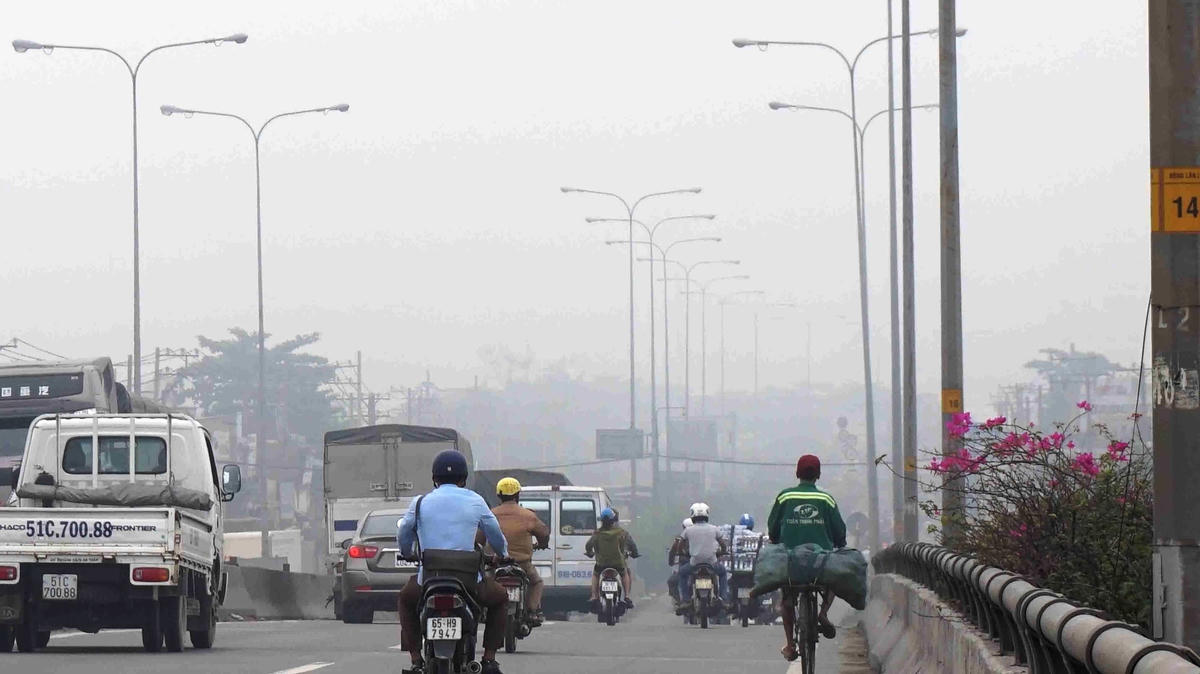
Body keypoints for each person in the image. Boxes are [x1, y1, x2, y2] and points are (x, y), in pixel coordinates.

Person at [397, 450, 511, 674]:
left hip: (429, 579)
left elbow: (404, 532)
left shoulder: (420, 502)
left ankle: (416, 660)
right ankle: (488, 660)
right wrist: (502, 553)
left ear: (434, 478)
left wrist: (407, 551)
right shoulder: (475, 500)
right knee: (500, 599)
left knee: (405, 599)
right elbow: (494, 533)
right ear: (464, 479)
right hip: (469, 582)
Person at [767, 453, 847, 662]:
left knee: (786, 599)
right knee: (833, 579)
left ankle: (790, 643)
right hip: (820, 561)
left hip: (791, 560)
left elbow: (772, 526)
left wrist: (776, 540)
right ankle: (823, 612)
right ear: (818, 475)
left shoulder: (785, 497)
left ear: (797, 473)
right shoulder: (826, 499)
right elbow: (839, 530)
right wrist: (840, 543)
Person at [479, 477, 550, 624]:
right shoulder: (529, 515)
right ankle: (532, 611)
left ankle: (484, 610)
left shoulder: (490, 514)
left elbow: (478, 539)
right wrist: (542, 544)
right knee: (536, 582)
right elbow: (544, 533)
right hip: (522, 564)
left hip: (495, 564)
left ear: (499, 495)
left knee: (485, 582)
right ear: (517, 495)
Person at [676, 503, 729, 610]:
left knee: (682, 573)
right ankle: (723, 598)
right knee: (723, 573)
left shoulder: (687, 530)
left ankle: (685, 600)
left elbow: (679, 546)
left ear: (692, 515)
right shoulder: (715, 529)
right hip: (712, 563)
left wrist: (682, 553)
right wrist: (722, 552)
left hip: (694, 563)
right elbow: (723, 545)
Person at [584, 507, 640, 610]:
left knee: (596, 574)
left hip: (601, 564)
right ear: (614, 520)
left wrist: (589, 552)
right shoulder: (622, 533)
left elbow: (588, 545)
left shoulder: (597, 533)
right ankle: (627, 596)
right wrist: (635, 554)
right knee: (625, 574)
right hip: (618, 563)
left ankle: (594, 596)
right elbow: (631, 546)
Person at [666, 517, 692, 603]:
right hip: (704, 566)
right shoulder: (703, 536)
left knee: (672, 581)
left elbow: (672, 552)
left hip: (687, 567)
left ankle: (681, 602)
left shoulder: (679, 539)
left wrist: (671, 562)